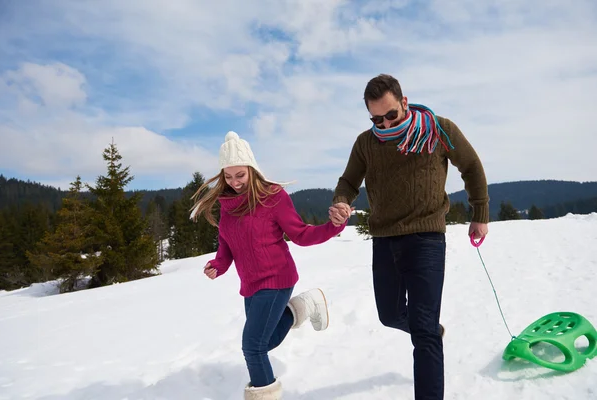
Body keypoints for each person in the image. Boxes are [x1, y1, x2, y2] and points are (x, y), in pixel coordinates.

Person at [328, 74, 490, 400]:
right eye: (376, 119)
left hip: (427, 236)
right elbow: (348, 181)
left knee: (423, 333)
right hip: (384, 238)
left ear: (404, 102)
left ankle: (427, 331)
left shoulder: (436, 129)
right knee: (389, 315)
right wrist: (341, 201)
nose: (385, 125)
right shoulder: (366, 143)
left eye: (390, 115)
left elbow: (471, 166)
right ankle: (427, 327)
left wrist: (480, 214)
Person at [190, 131, 348, 400]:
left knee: (253, 346)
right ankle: (305, 305)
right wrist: (219, 264)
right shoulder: (227, 204)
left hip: (277, 278)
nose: (235, 182)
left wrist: (333, 227)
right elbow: (227, 243)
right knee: (268, 340)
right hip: (250, 284)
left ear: (252, 169)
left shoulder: (273, 196)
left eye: (240, 175)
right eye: (228, 176)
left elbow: (300, 234)